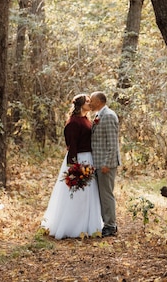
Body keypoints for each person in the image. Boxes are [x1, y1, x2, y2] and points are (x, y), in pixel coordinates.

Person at [41, 94, 103, 239]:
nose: (90, 104)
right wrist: (74, 166)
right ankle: (73, 226)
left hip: (88, 158)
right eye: (88, 102)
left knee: (88, 194)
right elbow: (72, 144)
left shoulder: (86, 120)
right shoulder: (73, 123)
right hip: (80, 158)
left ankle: (87, 225)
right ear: (81, 105)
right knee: (78, 193)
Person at [89, 91, 121, 237]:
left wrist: (107, 163)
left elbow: (113, 144)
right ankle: (107, 223)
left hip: (105, 163)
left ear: (100, 101)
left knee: (106, 194)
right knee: (102, 194)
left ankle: (110, 225)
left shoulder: (108, 116)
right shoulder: (98, 115)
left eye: (92, 100)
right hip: (98, 162)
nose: (89, 102)